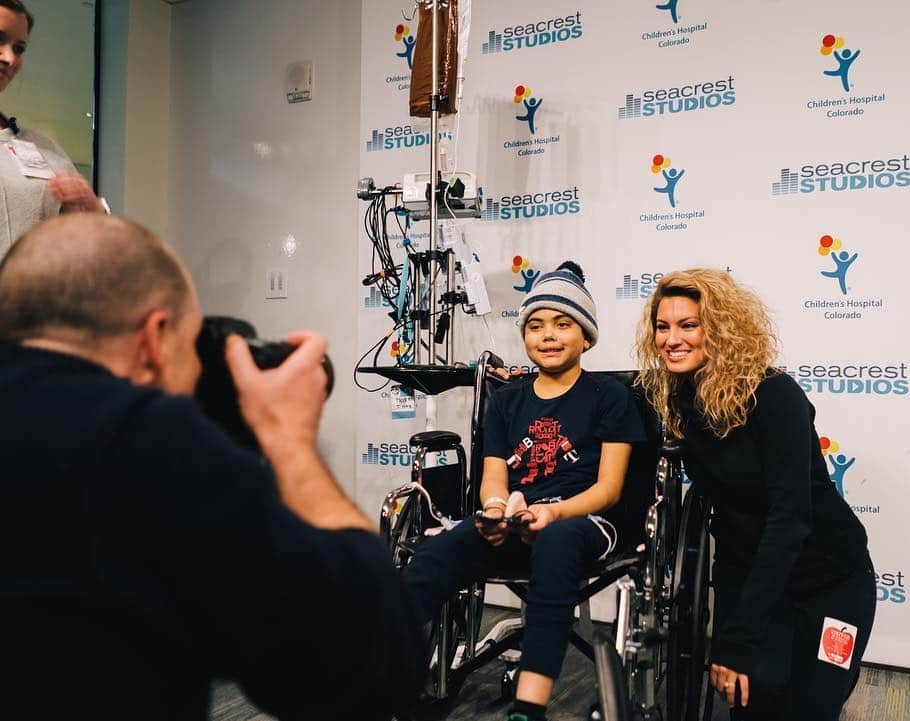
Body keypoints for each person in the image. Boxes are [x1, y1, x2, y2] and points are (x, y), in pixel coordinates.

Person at [0, 214, 426, 720]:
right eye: (192, 350)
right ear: (156, 339)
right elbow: (375, 664)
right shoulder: (150, 441)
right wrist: (288, 441)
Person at [403, 261, 646, 721]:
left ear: (586, 336)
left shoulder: (609, 395)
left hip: (583, 521)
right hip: (515, 519)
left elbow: (610, 489)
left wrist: (553, 514)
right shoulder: (507, 400)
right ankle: (387, 685)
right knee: (432, 556)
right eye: (535, 326)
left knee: (556, 541)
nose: (548, 335)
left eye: (562, 324)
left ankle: (528, 709)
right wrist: (495, 510)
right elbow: (493, 477)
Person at [634, 269, 876, 721]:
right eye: (662, 327)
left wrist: (739, 639)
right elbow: (727, 527)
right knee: (752, 704)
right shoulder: (680, 402)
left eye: (689, 325)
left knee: (808, 710)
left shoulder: (775, 396)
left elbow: (789, 521)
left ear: (721, 329)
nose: (671, 339)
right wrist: (729, 638)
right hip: (761, 583)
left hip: (832, 580)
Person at [0, 0, 104, 260]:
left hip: (35, 299)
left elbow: (86, 243)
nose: (10, 58)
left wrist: (94, 213)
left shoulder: (42, 148)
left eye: (19, 48)